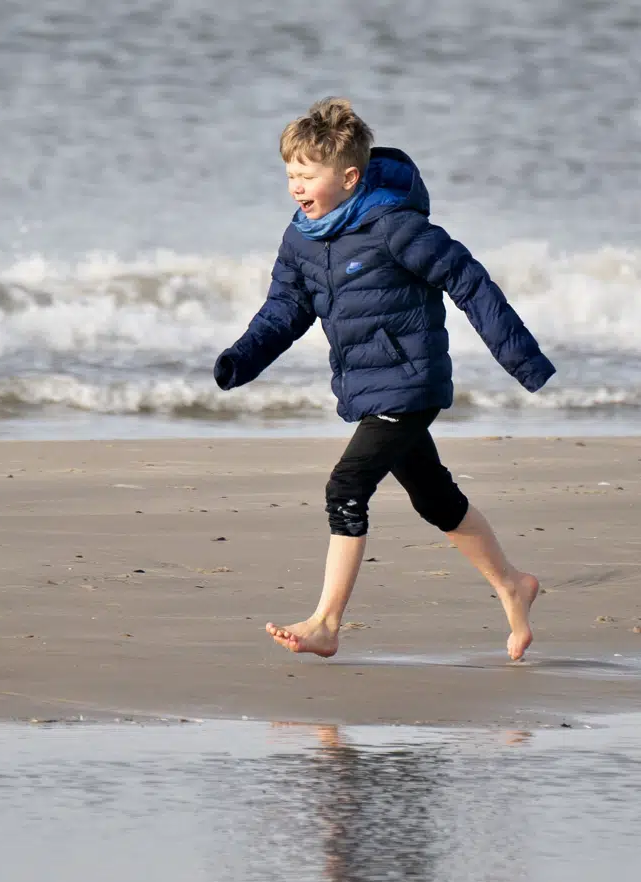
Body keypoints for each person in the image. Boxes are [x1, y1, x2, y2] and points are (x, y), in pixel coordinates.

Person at [213, 97, 555, 660]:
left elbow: (469, 281)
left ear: (349, 178)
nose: (296, 187)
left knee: (346, 488)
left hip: (411, 380)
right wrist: (242, 359)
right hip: (369, 387)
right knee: (434, 498)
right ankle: (513, 586)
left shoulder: (395, 226)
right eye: (291, 175)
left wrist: (523, 360)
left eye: (308, 176)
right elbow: (284, 310)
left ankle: (326, 623)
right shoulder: (301, 238)